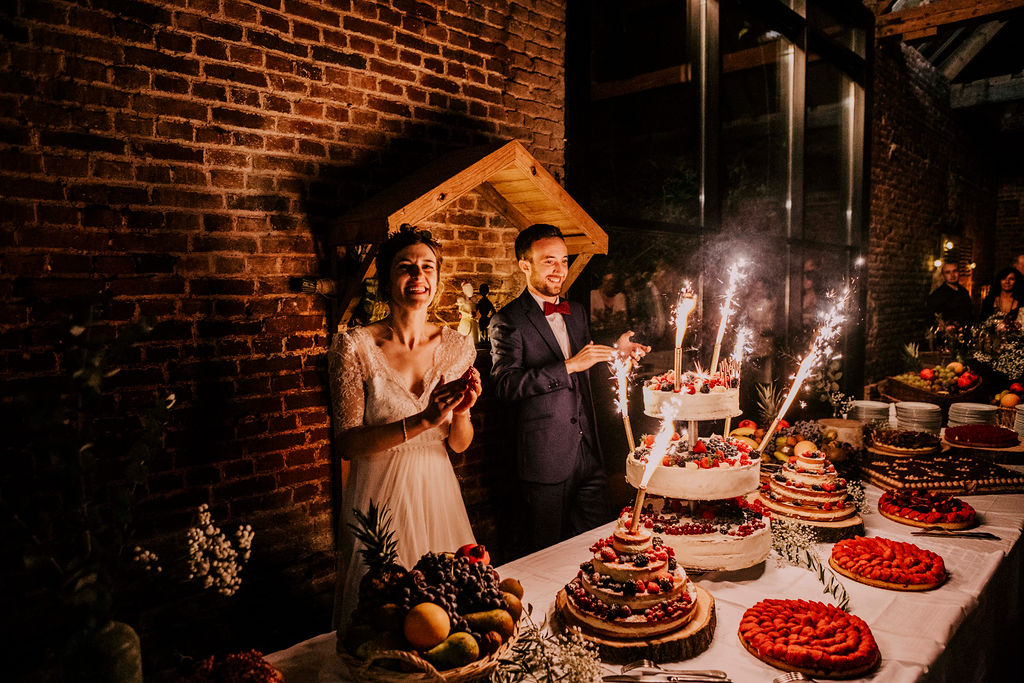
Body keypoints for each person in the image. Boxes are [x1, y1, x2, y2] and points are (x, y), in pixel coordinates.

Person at [328, 225, 481, 626]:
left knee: (449, 611)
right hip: (379, 496)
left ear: (438, 279)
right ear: (384, 279)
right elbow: (347, 444)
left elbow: (459, 444)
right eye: (406, 267)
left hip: (437, 489)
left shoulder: (457, 345)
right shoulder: (355, 346)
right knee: (385, 617)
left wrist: (462, 410)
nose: (419, 277)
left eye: (428, 267)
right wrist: (423, 419)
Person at [488, 224, 648, 550]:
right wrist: (568, 366)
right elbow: (505, 385)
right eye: (549, 261)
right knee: (545, 552)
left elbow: (585, 368)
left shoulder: (575, 312)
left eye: (563, 260)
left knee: (596, 546)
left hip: (588, 453)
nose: (559, 270)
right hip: (544, 459)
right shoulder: (508, 320)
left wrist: (617, 353)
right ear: (525, 265)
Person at [926, 261, 973, 326]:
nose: (952, 275)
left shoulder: (964, 292)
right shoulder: (937, 295)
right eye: (948, 272)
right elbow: (931, 319)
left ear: (959, 272)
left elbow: (970, 314)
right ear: (943, 275)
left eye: (955, 271)